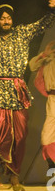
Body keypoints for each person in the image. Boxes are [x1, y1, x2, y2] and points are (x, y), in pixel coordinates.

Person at [0, 0, 55, 191]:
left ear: (13, 19)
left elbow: (42, 25)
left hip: (16, 90)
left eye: (8, 17)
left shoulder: (21, 33)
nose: (6, 20)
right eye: (1, 18)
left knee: (18, 135)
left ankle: (14, 176)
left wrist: (52, 10)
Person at [29, 39, 55, 171]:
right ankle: (53, 168)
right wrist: (44, 54)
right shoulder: (48, 57)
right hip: (52, 99)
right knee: (46, 138)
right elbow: (32, 66)